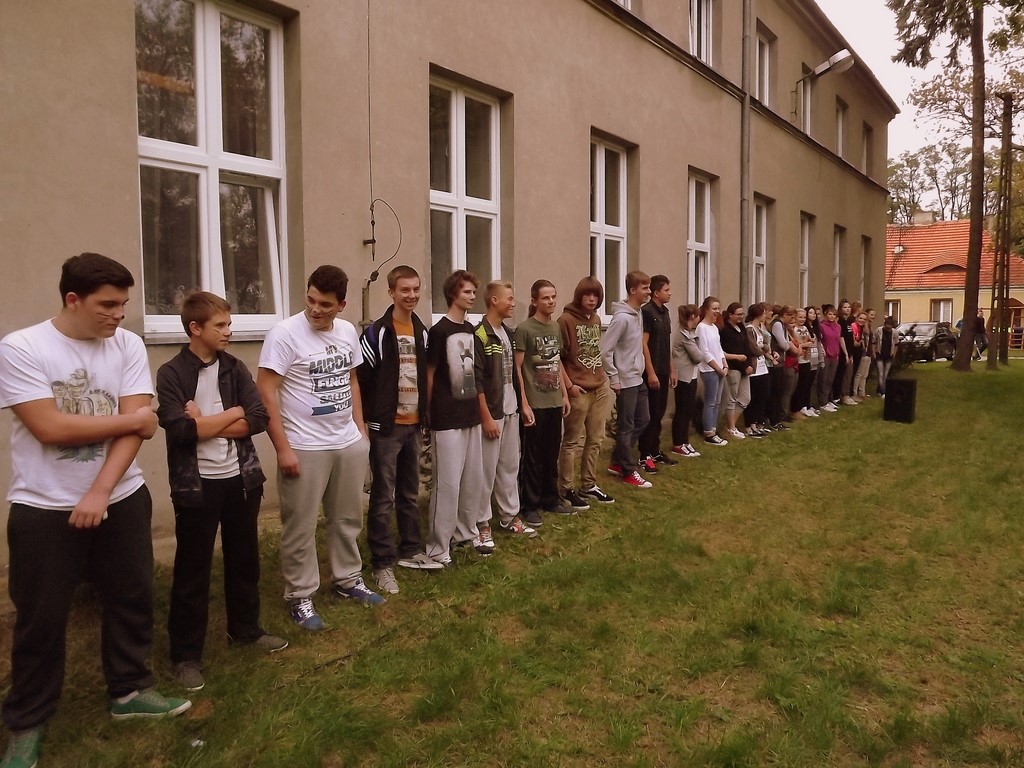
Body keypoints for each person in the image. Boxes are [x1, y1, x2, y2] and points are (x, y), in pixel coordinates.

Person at [0, 253, 191, 768]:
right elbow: (49, 428)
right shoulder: (22, 348)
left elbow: (139, 429)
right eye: (108, 304)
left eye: (124, 304)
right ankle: (27, 721)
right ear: (73, 299)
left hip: (121, 496)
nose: (118, 314)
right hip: (43, 505)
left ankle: (130, 692)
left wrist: (101, 490)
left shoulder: (127, 344)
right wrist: (134, 420)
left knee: (132, 596)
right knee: (40, 616)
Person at [157, 292, 287, 693]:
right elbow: (180, 429)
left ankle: (245, 630)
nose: (229, 331)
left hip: (241, 480)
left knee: (244, 559)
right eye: (221, 326)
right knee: (192, 570)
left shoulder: (234, 367)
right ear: (195, 328)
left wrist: (210, 420)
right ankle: (186, 656)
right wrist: (232, 414)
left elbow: (259, 418)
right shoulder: (171, 373)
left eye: (229, 324)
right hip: (196, 486)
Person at [258, 265, 379, 633]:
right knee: (300, 524)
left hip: (347, 443)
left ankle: (348, 579)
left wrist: (360, 430)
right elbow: (266, 391)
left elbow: (352, 379)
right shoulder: (284, 335)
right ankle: (300, 594)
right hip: (304, 445)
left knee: (347, 518)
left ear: (341, 305)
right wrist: (283, 449)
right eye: (310, 300)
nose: (315, 309)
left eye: (325, 304)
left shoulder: (346, 331)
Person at [357, 266, 442, 594]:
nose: (411, 295)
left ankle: (410, 550)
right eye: (405, 290)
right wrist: (370, 420)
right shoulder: (377, 333)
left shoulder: (422, 331)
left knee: (409, 492)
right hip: (386, 429)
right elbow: (362, 380)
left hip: (413, 426)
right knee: (383, 496)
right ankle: (382, 564)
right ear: (391, 292)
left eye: (416, 289)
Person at [423, 270, 486, 564]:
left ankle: (465, 534)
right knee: (447, 484)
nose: (472, 296)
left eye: (474, 291)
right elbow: (430, 374)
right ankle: (438, 547)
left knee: (472, 481)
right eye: (467, 292)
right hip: (446, 417)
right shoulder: (439, 331)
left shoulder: (471, 329)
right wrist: (428, 411)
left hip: (470, 414)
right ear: (453, 294)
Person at [474, 281, 536, 537]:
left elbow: (515, 372)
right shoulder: (480, 334)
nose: (513, 303)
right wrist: (486, 417)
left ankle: (510, 516)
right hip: (493, 414)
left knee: (510, 466)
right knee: (485, 471)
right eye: (509, 299)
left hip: (511, 411)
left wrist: (523, 404)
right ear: (494, 301)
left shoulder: (509, 334)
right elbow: (476, 381)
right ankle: (481, 522)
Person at [516, 279, 572, 522]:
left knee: (551, 454)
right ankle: (530, 505)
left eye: (553, 297)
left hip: (554, 401)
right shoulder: (524, 329)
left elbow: (557, 362)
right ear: (534, 301)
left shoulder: (555, 328)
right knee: (533, 457)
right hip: (535, 403)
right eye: (545, 298)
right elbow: (517, 368)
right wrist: (524, 402)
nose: (550, 301)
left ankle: (550, 499)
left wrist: (564, 394)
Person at [557, 277, 616, 506]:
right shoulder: (565, 320)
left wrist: (604, 380)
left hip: (599, 387)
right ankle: (566, 488)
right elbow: (558, 358)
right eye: (587, 295)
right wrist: (569, 387)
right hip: (578, 389)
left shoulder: (596, 319)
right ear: (579, 296)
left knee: (596, 439)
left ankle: (589, 485)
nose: (591, 300)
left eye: (595, 296)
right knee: (572, 440)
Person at [602, 271, 654, 487]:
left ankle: (618, 460)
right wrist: (614, 378)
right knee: (626, 425)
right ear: (633, 290)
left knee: (643, 419)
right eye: (645, 288)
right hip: (624, 380)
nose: (649, 292)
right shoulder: (622, 318)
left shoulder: (638, 313)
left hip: (637, 377)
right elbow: (605, 350)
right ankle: (627, 470)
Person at [638, 275, 677, 469]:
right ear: (656, 293)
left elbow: (666, 343)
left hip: (663, 368)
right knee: (650, 414)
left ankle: (655, 450)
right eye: (666, 290)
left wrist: (671, 369)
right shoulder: (646, 312)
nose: (670, 293)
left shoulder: (665, 312)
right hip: (651, 370)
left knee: (659, 413)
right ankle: (644, 454)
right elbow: (643, 343)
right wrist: (651, 372)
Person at [695, 296, 729, 445]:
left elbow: (719, 349)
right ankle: (708, 432)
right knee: (710, 402)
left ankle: (714, 429)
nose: (717, 311)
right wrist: (718, 368)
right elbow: (705, 352)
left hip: (720, 369)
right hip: (709, 370)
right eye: (714, 308)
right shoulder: (701, 328)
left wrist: (725, 365)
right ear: (706, 310)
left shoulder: (714, 328)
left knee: (717, 402)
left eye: (718, 308)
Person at [670, 304, 703, 457]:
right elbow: (698, 357)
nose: (699, 319)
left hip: (691, 376)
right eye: (698, 315)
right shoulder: (684, 335)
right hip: (683, 378)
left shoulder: (690, 333)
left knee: (688, 410)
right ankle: (678, 443)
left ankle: (684, 441)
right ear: (692, 317)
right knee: (682, 411)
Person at [719, 301, 752, 440]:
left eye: (742, 314)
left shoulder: (741, 327)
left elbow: (746, 347)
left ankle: (731, 425)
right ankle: (730, 428)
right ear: (730, 315)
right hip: (733, 368)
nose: (741, 317)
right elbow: (730, 350)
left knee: (745, 398)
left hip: (744, 367)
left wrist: (749, 364)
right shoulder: (725, 330)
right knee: (731, 399)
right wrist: (743, 365)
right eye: (738, 314)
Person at [874, 316, 898, 397]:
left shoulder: (895, 332)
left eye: (889, 328)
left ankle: (879, 389)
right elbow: (873, 342)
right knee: (881, 373)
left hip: (889, 355)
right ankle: (883, 392)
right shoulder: (878, 331)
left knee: (885, 374)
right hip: (880, 354)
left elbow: (896, 344)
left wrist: (893, 354)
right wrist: (874, 354)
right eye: (886, 327)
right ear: (884, 325)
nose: (888, 329)